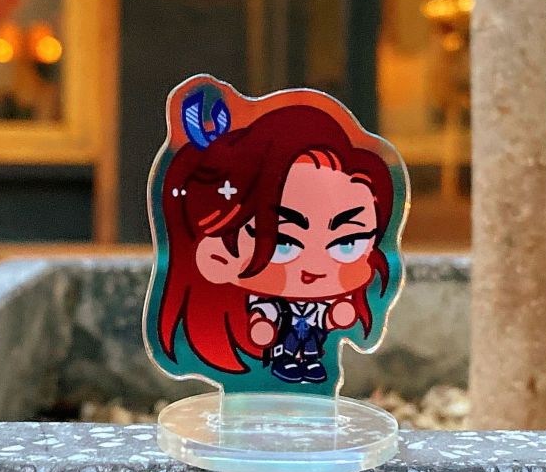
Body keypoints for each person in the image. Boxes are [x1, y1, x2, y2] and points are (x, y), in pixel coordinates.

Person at [154, 81, 398, 386]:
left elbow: (329, 316)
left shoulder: (321, 300)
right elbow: (265, 311)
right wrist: (262, 323)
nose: (314, 266)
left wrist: (337, 315)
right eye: (282, 243)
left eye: (347, 243)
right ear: (217, 254)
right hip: (274, 349)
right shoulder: (263, 300)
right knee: (287, 350)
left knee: (310, 352)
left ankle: (306, 366)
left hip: (313, 351)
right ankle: (288, 364)